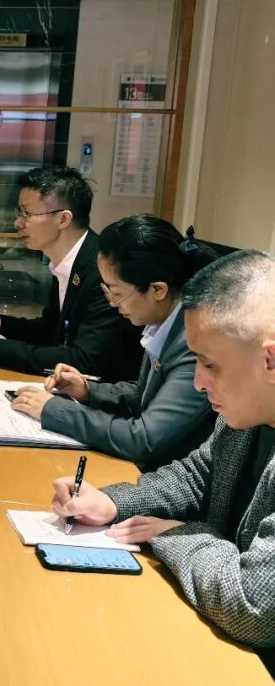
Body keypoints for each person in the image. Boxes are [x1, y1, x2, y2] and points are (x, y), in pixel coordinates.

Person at [51, 250, 275, 649]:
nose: (198, 383)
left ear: (270, 360)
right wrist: (113, 502)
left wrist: (177, 533)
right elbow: (197, 475)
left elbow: (253, 606)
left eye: (210, 364)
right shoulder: (249, 412)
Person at [10, 216, 218, 469]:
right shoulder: (165, 321)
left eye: (116, 293)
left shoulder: (195, 345)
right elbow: (144, 395)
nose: (112, 303)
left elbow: (142, 438)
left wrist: (54, 410)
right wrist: (87, 391)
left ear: (158, 290)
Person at [0, 164, 142, 381]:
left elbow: (85, 361)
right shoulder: (68, 261)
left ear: (63, 219)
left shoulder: (103, 270)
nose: (17, 222)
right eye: (19, 213)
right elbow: (50, 331)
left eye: (27, 213)